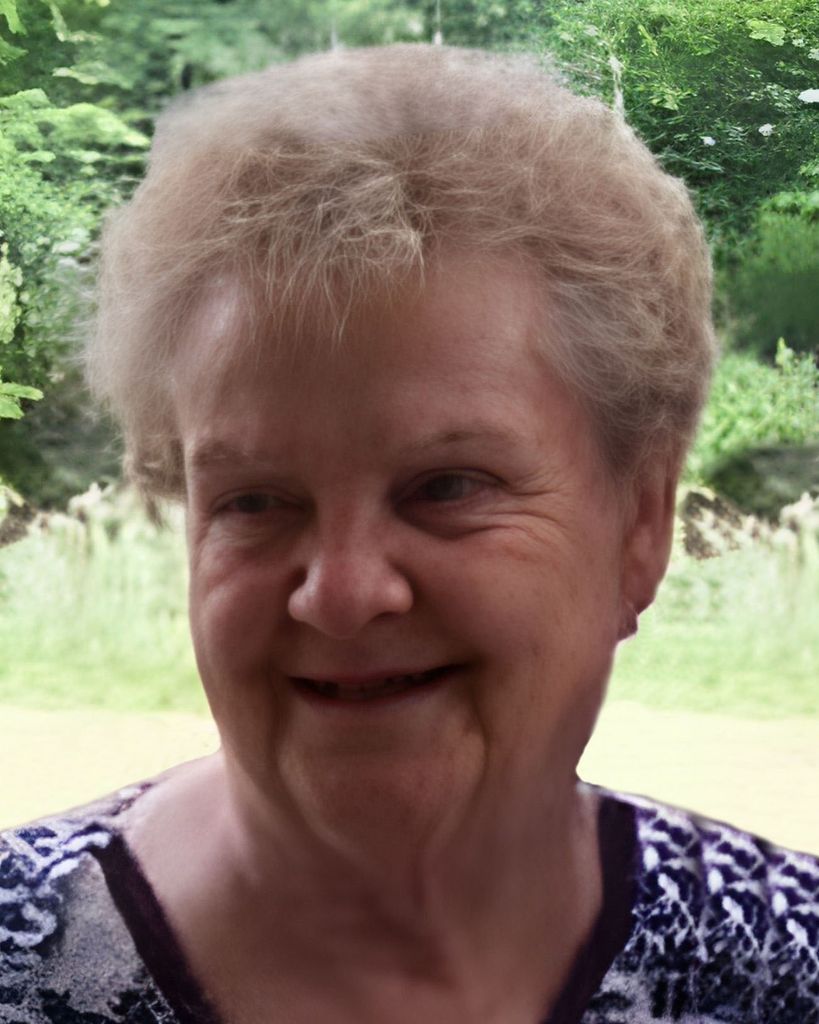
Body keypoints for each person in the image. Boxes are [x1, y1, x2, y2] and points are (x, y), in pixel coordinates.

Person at [1, 44, 817, 1024]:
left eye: (446, 486)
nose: (342, 594)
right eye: (254, 501)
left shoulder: (783, 966)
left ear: (639, 528)